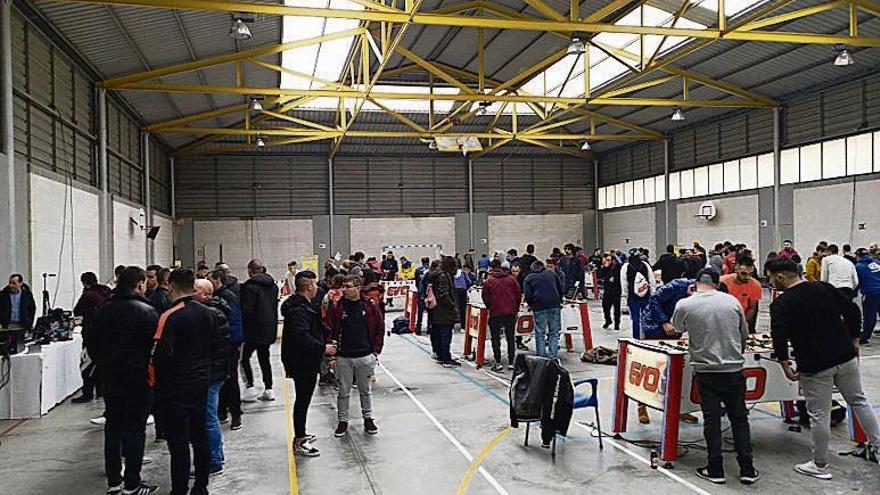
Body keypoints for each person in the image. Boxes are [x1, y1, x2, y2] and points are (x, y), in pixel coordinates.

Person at [766, 257, 880, 480]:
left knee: (820, 415)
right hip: (844, 356)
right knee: (859, 401)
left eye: (771, 278)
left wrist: (784, 362)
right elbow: (853, 311)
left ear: (780, 276)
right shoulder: (824, 288)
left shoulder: (781, 304)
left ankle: (819, 464)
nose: (771, 282)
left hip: (815, 365)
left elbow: (778, 335)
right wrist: (854, 340)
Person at [671, 268, 759, 486]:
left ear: (696, 283)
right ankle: (747, 469)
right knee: (739, 419)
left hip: (706, 371)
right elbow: (744, 334)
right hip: (733, 370)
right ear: (718, 283)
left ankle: (716, 468)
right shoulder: (731, 301)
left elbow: (677, 328)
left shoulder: (685, 303)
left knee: (711, 421)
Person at [91, 267, 160, 495]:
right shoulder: (148, 311)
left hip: (111, 378)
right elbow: (156, 348)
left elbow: (92, 345)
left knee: (113, 427)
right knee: (135, 430)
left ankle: (114, 482)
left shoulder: (103, 310)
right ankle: (132, 482)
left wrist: (105, 366)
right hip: (138, 379)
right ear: (140, 284)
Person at [150, 268, 215, 495]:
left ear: (171, 285)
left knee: (178, 445)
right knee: (200, 437)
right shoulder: (207, 313)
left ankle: (179, 490)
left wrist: (156, 389)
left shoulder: (169, 316)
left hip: (175, 389)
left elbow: (159, 357)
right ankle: (201, 487)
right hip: (200, 383)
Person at [281, 270, 334, 457]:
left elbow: (316, 327)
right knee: (302, 401)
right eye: (315, 285)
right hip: (302, 362)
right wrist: (323, 349)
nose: (317, 288)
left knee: (304, 400)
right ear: (309, 286)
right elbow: (302, 337)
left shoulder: (303, 306)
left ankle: (302, 433)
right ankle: (299, 439)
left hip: (304, 360)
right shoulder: (298, 310)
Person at [327, 275, 384, 437]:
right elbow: (329, 329)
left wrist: (375, 352)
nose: (344, 289)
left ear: (358, 288)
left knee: (365, 390)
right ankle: (343, 421)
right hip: (343, 357)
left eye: (348, 286)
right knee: (343, 391)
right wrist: (331, 357)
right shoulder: (337, 307)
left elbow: (380, 328)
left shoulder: (370, 306)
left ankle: (368, 418)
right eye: (343, 286)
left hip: (365, 356)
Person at [193, 279, 231, 476]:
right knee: (209, 416)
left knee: (208, 418)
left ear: (207, 294)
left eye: (195, 291)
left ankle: (214, 460)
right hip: (214, 372)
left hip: (211, 374)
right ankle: (215, 456)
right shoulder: (215, 313)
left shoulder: (210, 316)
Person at [240, 259, 279, 402]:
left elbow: (247, 310)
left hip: (253, 330)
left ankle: (250, 386)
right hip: (269, 329)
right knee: (264, 358)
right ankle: (269, 389)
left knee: (244, 358)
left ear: (250, 270)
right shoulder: (273, 286)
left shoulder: (250, 287)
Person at [209, 270, 243, 431]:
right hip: (221, 345)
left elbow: (235, 321)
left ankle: (236, 414)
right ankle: (222, 411)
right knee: (222, 380)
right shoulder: (216, 298)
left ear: (217, 280)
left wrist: (232, 342)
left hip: (228, 345)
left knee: (231, 379)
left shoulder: (227, 296)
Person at [72, 272, 112, 403]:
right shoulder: (106, 292)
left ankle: (87, 393)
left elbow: (77, 311)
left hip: (91, 334)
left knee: (87, 365)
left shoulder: (88, 295)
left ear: (84, 283)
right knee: (100, 364)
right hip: (106, 335)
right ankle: (101, 391)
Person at [481, 259, 522, 372]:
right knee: (510, 337)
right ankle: (511, 362)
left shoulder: (489, 281)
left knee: (495, 338)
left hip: (495, 313)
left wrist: (490, 307)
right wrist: (515, 308)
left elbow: (485, 297)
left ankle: (498, 362)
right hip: (510, 313)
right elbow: (518, 294)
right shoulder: (511, 279)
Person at [523, 260, 563, 359]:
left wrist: (532, 305)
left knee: (540, 332)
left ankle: (541, 357)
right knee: (554, 332)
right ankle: (553, 356)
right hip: (554, 305)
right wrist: (559, 300)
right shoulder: (552, 274)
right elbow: (560, 288)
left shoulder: (529, 278)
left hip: (539, 307)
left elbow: (527, 295)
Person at [621, 249, 657, 342]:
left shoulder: (626, 266)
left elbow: (624, 282)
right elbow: (651, 280)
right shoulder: (645, 265)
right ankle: (647, 336)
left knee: (635, 319)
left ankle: (636, 338)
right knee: (647, 317)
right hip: (646, 296)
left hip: (633, 297)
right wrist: (653, 294)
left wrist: (625, 295)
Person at [429, 256, 460, 366]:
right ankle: (445, 356)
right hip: (444, 311)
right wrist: (452, 306)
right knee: (445, 334)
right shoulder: (443, 276)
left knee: (438, 333)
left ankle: (440, 354)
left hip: (436, 310)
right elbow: (444, 294)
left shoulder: (435, 274)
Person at [720, 256, 763, 333]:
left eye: (750, 274)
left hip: (743, 318)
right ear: (736, 268)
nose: (747, 277)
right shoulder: (723, 281)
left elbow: (751, 308)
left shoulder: (755, 285)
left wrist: (742, 323)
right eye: (744, 273)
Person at [855, 248, 880, 345]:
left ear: (858, 256)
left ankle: (865, 337)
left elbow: (858, 282)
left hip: (871, 292)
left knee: (870, 315)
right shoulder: (877, 262)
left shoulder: (859, 266)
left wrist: (853, 294)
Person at [598, 254, 621, 330]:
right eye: (606, 260)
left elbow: (621, 277)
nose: (607, 261)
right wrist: (604, 266)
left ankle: (617, 323)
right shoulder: (605, 268)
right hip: (607, 290)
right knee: (605, 307)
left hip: (616, 290)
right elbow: (600, 275)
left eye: (609, 260)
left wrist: (615, 278)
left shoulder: (618, 267)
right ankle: (608, 320)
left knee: (616, 308)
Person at [453, 264, 475, 329]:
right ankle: (463, 326)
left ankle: (452, 327)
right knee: (463, 309)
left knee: (455, 308)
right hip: (463, 290)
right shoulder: (463, 273)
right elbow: (469, 282)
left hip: (454, 290)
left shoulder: (451, 273)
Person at [414, 257, 431, 334]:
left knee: (420, 312)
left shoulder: (418, 270)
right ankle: (429, 328)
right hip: (429, 293)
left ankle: (418, 329)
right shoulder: (431, 270)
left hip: (421, 293)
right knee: (430, 312)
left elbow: (416, 282)